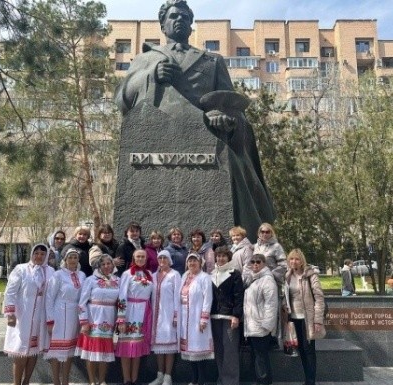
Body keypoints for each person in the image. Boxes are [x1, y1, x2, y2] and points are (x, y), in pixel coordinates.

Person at [114, 0, 275, 240]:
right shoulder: (145, 59)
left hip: (206, 138)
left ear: (191, 26)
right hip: (157, 133)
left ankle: (247, 242)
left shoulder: (212, 61)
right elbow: (122, 100)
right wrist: (152, 75)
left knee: (236, 169)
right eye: (174, 16)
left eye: (185, 17)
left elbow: (231, 104)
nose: (180, 20)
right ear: (163, 25)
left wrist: (225, 119)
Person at [3, 243, 54, 385]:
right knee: (20, 350)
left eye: (42, 254)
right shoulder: (21, 269)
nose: (39, 256)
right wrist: (10, 313)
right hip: (23, 315)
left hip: (40, 316)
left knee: (33, 350)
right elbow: (10, 291)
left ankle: (26, 383)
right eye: (36, 253)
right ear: (32, 254)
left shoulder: (50, 271)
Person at [282, 249, 325, 385]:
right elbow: (287, 295)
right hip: (294, 318)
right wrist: (285, 305)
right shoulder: (288, 275)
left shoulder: (310, 275)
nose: (294, 262)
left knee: (309, 351)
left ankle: (311, 384)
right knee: (301, 350)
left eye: (297, 259)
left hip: (308, 319)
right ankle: (307, 382)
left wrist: (318, 320)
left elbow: (319, 298)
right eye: (291, 259)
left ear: (302, 261)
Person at [75, 254, 120, 385]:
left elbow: (122, 301)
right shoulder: (91, 280)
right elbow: (82, 303)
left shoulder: (117, 281)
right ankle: (91, 383)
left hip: (109, 319)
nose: (106, 266)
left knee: (105, 353)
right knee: (92, 352)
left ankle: (102, 382)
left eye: (109, 263)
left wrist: (120, 319)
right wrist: (84, 322)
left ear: (113, 265)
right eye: (103, 264)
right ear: (99, 266)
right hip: (93, 318)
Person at [44, 248, 85, 385]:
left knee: (69, 351)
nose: (73, 260)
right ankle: (56, 383)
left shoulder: (82, 275)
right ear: (65, 260)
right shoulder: (58, 275)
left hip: (75, 315)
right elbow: (49, 298)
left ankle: (66, 383)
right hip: (60, 313)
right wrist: (50, 320)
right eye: (70, 257)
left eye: (75, 257)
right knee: (57, 351)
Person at [115, 249, 154, 385]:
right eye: (138, 256)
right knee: (126, 347)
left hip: (143, 313)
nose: (141, 259)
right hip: (130, 312)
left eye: (143, 256)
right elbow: (122, 295)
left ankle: (135, 379)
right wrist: (121, 318)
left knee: (137, 347)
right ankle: (126, 380)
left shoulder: (149, 274)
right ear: (133, 258)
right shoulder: (127, 274)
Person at [178, 253, 214, 385]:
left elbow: (208, 299)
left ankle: (201, 382)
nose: (192, 263)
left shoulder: (204, 277)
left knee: (198, 351)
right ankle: (193, 380)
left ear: (200, 263)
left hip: (197, 318)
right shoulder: (185, 276)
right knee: (190, 352)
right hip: (185, 320)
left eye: (194, 261)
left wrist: (204, 318)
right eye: (190, 261)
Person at [210, 246, 244, 385]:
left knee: (230, 349)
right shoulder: (212, 274)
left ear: (228, 258)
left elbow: (239, 296)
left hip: (230, 316)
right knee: (219, 349)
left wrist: (236, 315)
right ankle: (221, 379)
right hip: (215, 316)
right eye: (218, 256)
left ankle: (232, 381)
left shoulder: (235, 274)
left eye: (224, 256)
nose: (221, 258)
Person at [244, 253, 278, 385]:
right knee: (258, 355)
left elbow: (271, 304)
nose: (255, 264)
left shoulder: (267, 280)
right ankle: (265, 382)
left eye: (258, 262)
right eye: (253, 262)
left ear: (264, 264)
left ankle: (263, 384)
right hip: (252, 324)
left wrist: (267, 325)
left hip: (261, 325)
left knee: (260, 356)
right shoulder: (253, 279)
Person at [148, 250, 181, 385]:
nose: (162, 260)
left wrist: (176, 315)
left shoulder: (175, 275)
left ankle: (168, 377)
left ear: (169, 260)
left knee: (169, 347)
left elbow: (178, 296)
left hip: (169, 315)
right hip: (156, 317)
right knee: (158, 348)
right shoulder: (153, 276)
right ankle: (160, 375)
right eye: (160, 257)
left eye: (165, 258)